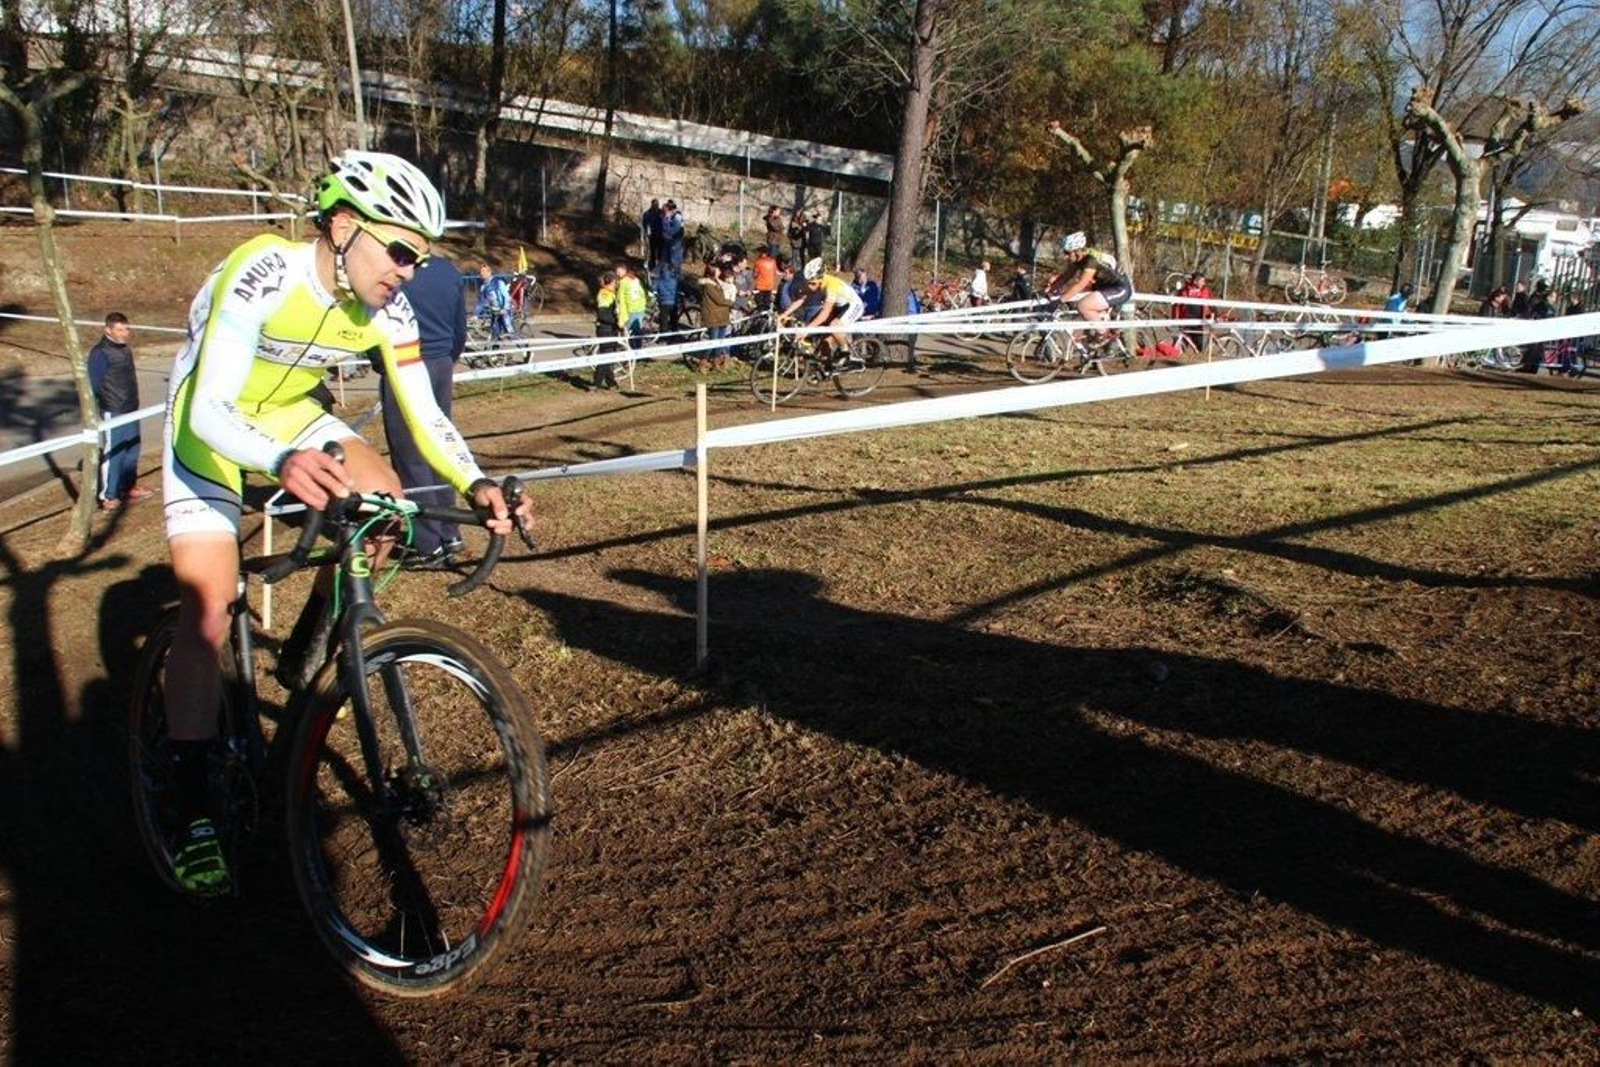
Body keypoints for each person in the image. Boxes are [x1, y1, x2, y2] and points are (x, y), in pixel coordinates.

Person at [159, 150, 532, 896]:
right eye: (399, 250)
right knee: (207, 605)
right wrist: (279, 461)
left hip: (291, 416)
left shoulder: (386, 311)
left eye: (420, 259)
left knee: (386, 505)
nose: (407, 270)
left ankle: (307, 652)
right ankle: (190, 799)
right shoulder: (264, 270)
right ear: (340, 225)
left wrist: (478, 479)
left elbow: (425, 412)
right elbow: (209, 406)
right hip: (210, 423)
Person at [383, 254, 468, 568]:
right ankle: (450, 529)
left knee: (410, 456)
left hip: (404, 365)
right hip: (441, 364)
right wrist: (448, 356)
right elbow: (461, 325)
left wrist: (383, 366)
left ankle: (428, 543)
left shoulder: (392, 270)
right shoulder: (449, 269)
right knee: (439, 446)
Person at [88, 311, 152, 511]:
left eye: (127, 329)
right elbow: (93, 384)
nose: (125, 333)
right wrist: (103, 405)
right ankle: (109, 495)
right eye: (120, 329)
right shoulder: (100, 352)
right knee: (114, 452)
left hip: (131, 407)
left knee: (132, 450)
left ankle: (128, 486)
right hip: (113, 410)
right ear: (108, 330)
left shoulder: (125, 349)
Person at [1045, 231, 1132, 332]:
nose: (1065, 256)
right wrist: (1051, 290)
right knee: (1087, 319)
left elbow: (1081, 284)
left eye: (1067, 253)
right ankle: (1097, 335)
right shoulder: (1079, 259)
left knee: (1083, 306)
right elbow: (1065, 277)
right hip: (1104, 287)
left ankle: (1104, 333)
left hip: (1120, 288)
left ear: (1077, 251)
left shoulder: (1091, 260)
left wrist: (1060, 300)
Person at [781, 257, 864, 361]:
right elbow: (801, 300)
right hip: (839, 306)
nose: (810, 287)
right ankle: (828, 368)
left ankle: (846, 352)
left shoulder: (831, 285)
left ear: (820, 280)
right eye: (808, 283)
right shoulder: (817, 282)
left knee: (834, 325)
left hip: (853, 305)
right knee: (824, 341)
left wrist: (806, 330)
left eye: (813, 283)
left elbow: (825, 313)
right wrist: (784, 315)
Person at [698, 263, 735, 370]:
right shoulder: (709, 285)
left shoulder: (717, 282)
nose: (720, 272)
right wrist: (731, 302)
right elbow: (719, 299)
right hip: (712, 316)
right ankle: (703, 361)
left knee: (720, 340)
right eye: (718, 270)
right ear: (712, 272)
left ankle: (716, 360)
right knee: (713, 340)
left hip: (722, 316)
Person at [593, 271, 622, 389]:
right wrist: (616, 322)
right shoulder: (605, 294)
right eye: (616, 283)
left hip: (611, 328)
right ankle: (596, 383)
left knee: (609, 356)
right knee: (605, 356)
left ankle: (611, 382)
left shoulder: (611, 293)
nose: (617, 285)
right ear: (612, 282)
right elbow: (603, 314)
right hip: (606, 329)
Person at [1174, 271, 1214, 354]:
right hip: (1186, 322)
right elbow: (1176, 306)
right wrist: (1176, 320)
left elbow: (1211, 305)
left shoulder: (1205, 291)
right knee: (1179, 347)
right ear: (1195, 281)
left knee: (1199, 349)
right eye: (1202, 281)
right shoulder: (1184, 291)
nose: (1204, 283)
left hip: (1199, 323)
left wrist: (1216, 315)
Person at [475, 263, 513, 341]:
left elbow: (506, 297)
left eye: (483, 271)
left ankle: (525, 349)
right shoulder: (483, 287)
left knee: (510, 333)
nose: (481, 274)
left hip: (504, 312)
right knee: (495, 332)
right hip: (494, 312)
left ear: (489, 272)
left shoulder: (498, 282)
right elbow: (481, 302)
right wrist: (476, 315)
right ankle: (493, 350)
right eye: (480, 272)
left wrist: (505, 308)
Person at [616, 261, 649, 348]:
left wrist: (621, 315)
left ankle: (632, 351)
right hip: (640, 308)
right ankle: (638, 350)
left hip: (630, 309)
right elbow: (643, 293)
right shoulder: (635, 279)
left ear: (624, 270)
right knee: (637, 331)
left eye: (618, 272)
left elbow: (620, 298)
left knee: (630, 332)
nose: (617, 274)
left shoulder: (623, 282)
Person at [751, 245, 779, 313]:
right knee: (767, 306)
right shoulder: (773, 261)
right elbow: (775, 273)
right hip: (770, 287)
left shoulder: (758, 262)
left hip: (760, 287)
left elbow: (754, 275)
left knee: (760, 306)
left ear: (762, 253)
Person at [661, 200, 686, 271]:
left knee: (674, 259)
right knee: (668, 258)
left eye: (667, 211)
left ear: (671, 210)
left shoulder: (677, 217)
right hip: (671, 240)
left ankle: (674, 274)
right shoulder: (671, 217)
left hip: (676, 241)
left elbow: (674, 230)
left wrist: (666, 221)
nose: (666, 212)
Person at [642, 198, 663, 269]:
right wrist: (646, 233)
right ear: (652, 205)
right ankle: (652, 264)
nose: (656, 206)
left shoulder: (661, 212)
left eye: (657, 205)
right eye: (655, 205)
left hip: (660, 234)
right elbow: (645, 224)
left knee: (660, 251)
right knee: (652, 250)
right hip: (652, 235)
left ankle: (660, 265)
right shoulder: (648, 213)